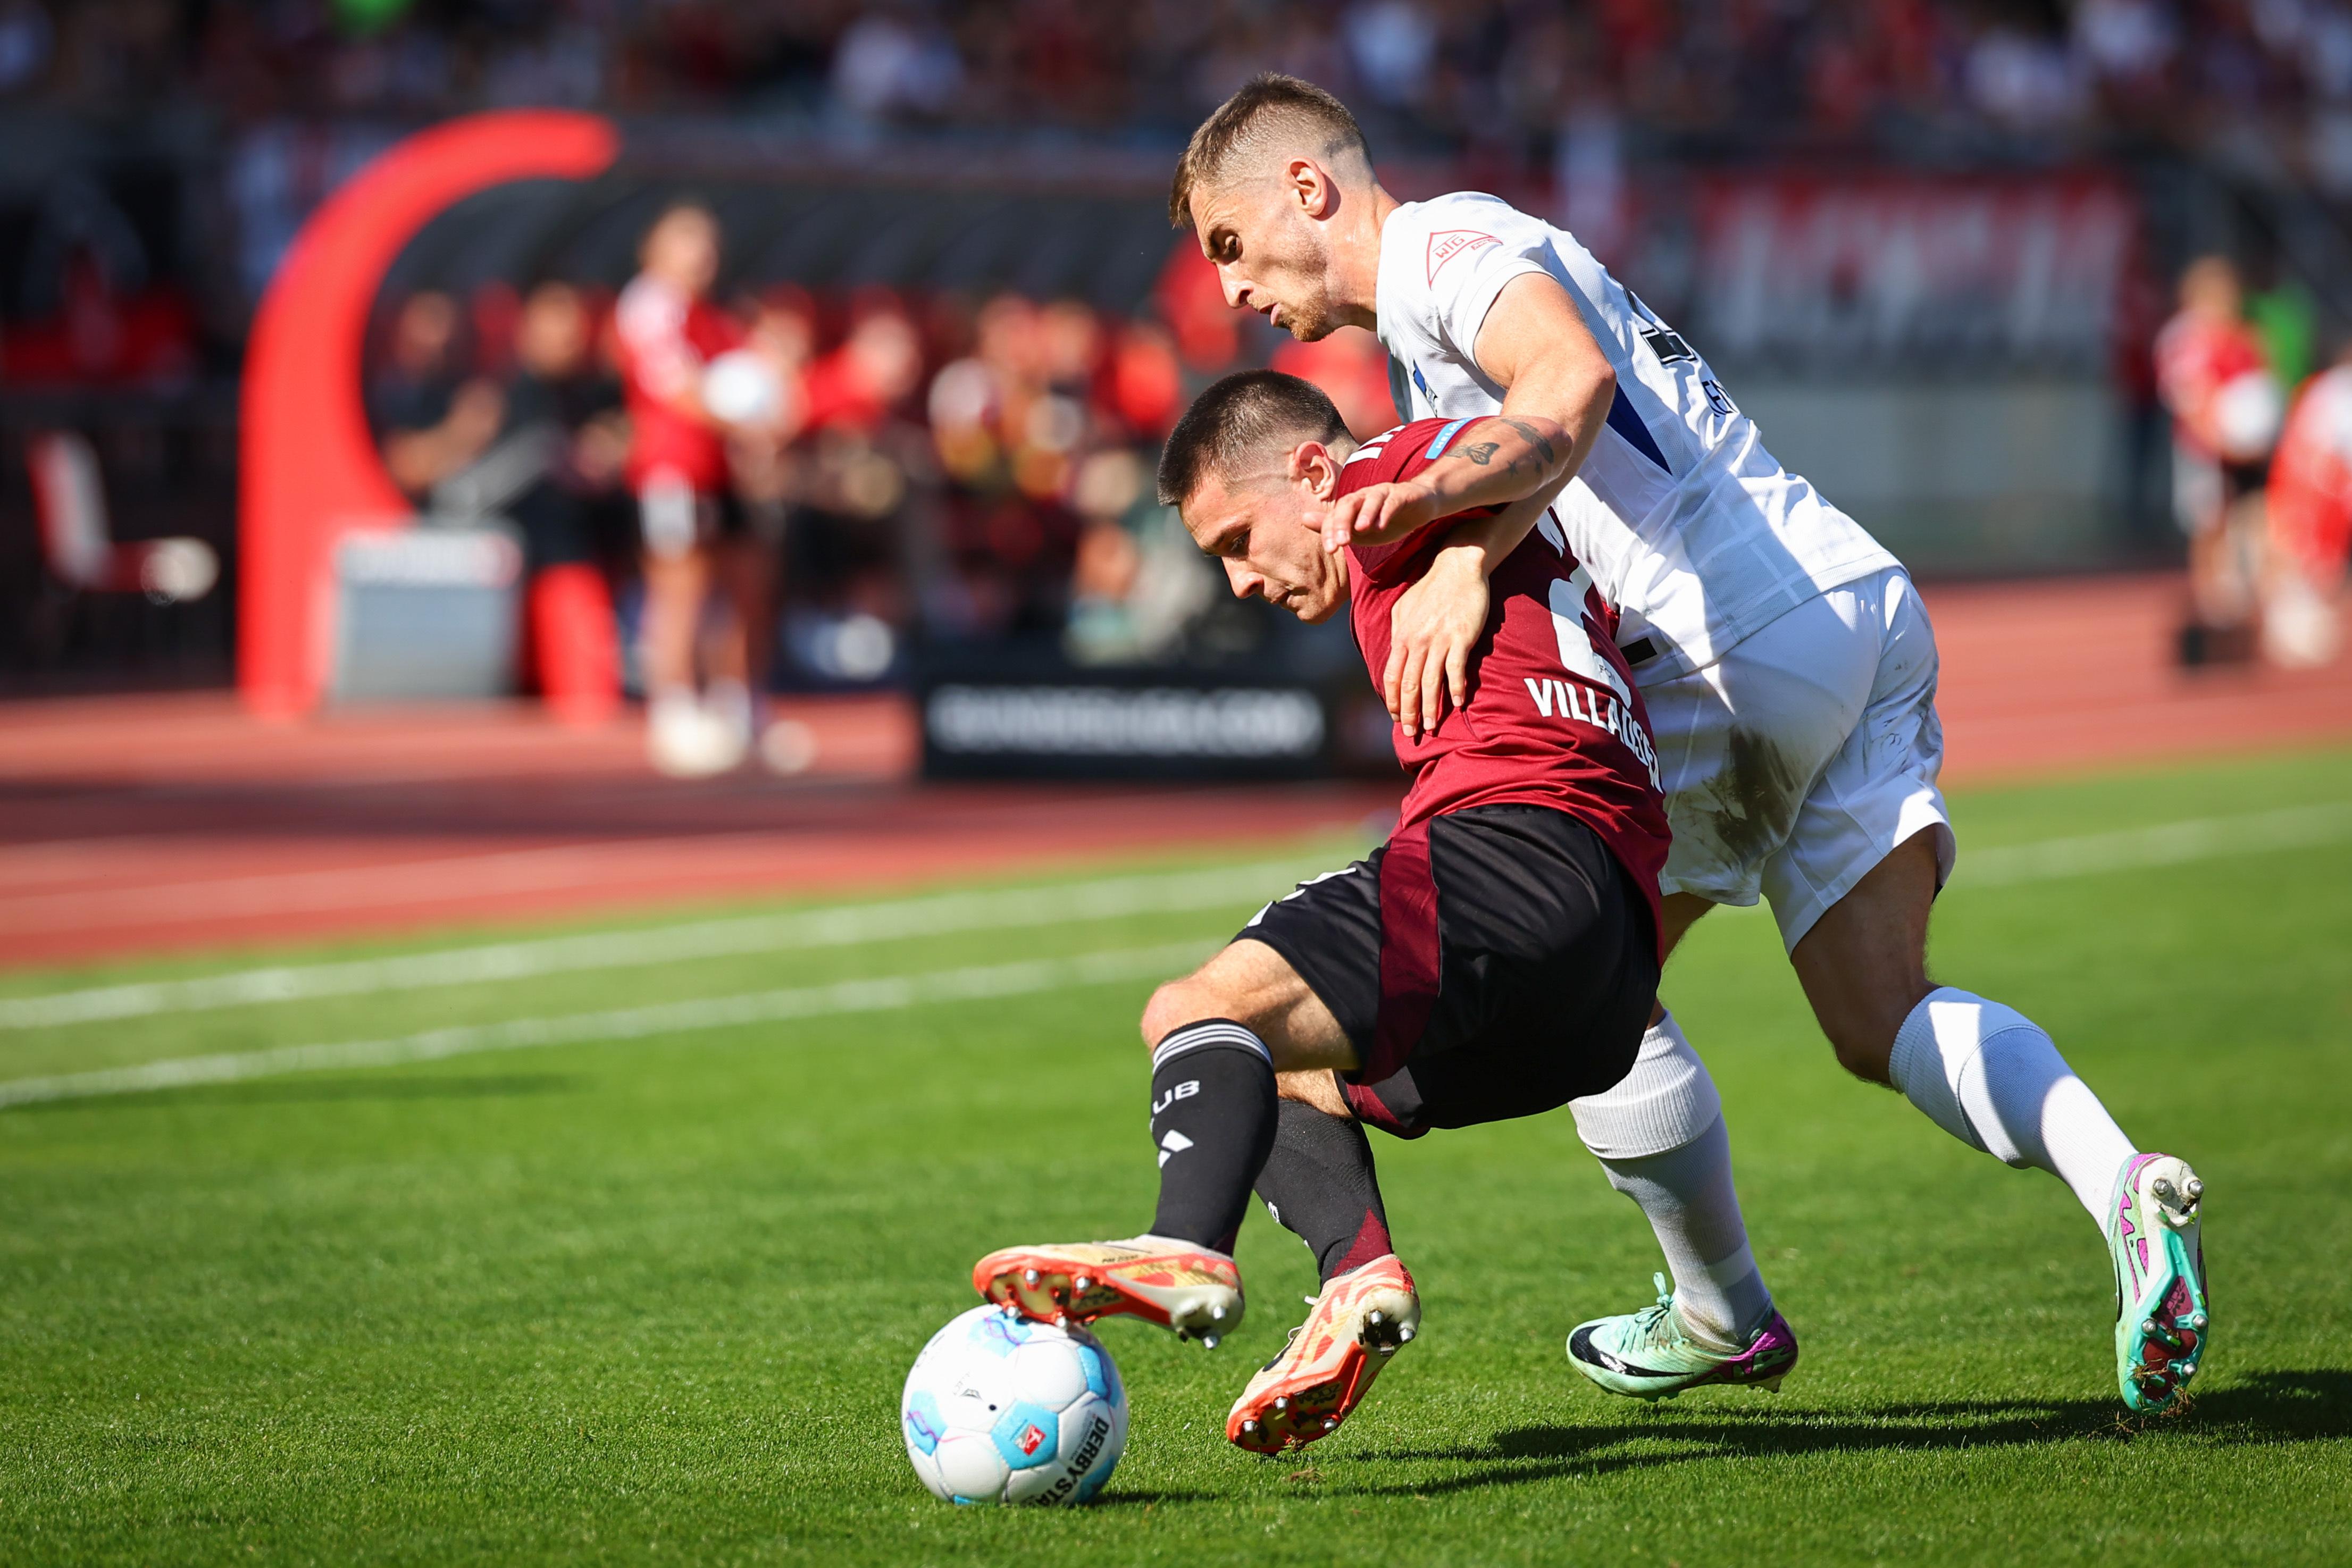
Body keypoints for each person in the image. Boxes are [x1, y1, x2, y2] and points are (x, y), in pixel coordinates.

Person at [1168, 74, 2208, 1414]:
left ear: (1306, 189)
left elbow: (1567, 378)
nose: (1228, 288)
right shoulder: (1424, 326)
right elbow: (1548, 444)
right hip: (1844, 602)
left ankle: (1720, 1310)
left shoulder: (1437, 250)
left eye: (1228, 245)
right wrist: (1475, 551)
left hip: (1715, 640)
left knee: (1582, 976)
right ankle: (2121, 1182)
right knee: (1874, 1014)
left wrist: (1437, 535)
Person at [970, 373, 1753, 1453]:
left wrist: (1425, 497)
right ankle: (1355, 1280)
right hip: (1608, 973)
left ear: (1307, 471)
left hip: (1516, 846)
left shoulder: (1377, 478)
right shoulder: (1459, 541)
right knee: (1290, 1061)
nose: (1240, 580)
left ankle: (1182, 1241)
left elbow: (1537, 428)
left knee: (1195, 1007)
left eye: (1239, 538)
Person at [614, 201, 782, 776]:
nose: (701, 255)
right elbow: (676, 387)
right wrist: (741, 423)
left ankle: (741, 708)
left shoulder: (713, 316)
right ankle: (675, 712)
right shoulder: (651, 305)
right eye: (687, 241)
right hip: (674, 469)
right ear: (654, 249)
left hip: (721, 471)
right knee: (679, 587)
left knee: (748, 583)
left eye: (707, 243)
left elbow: (753, 379)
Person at [2155, 256, 2282, 664]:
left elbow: (2261, 391)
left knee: (2250, 519)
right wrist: (2221, 439)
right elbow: (2190, 399)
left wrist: (2255, 438)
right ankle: (2213, 606)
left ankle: (2253, 605)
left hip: (2243, 452)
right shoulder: (2183, 340)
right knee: (2206, 523)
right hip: (2201, 449)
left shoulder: (2242, 337)